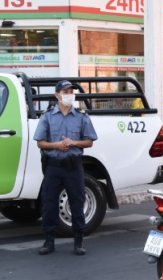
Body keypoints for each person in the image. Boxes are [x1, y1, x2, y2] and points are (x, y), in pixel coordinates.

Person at [33, 80, 98, 256]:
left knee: (77, 201)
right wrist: (57, 145)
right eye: (65, 91)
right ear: (57, 95)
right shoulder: (47, 117)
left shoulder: (81, 116)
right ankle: (49, 240)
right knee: (49, 202)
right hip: (53, 166)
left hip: (73, 165)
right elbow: (40, 142)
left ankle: (79, 240)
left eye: (71, 91)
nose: (69, 94)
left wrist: (73, 142)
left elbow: (89, 141)